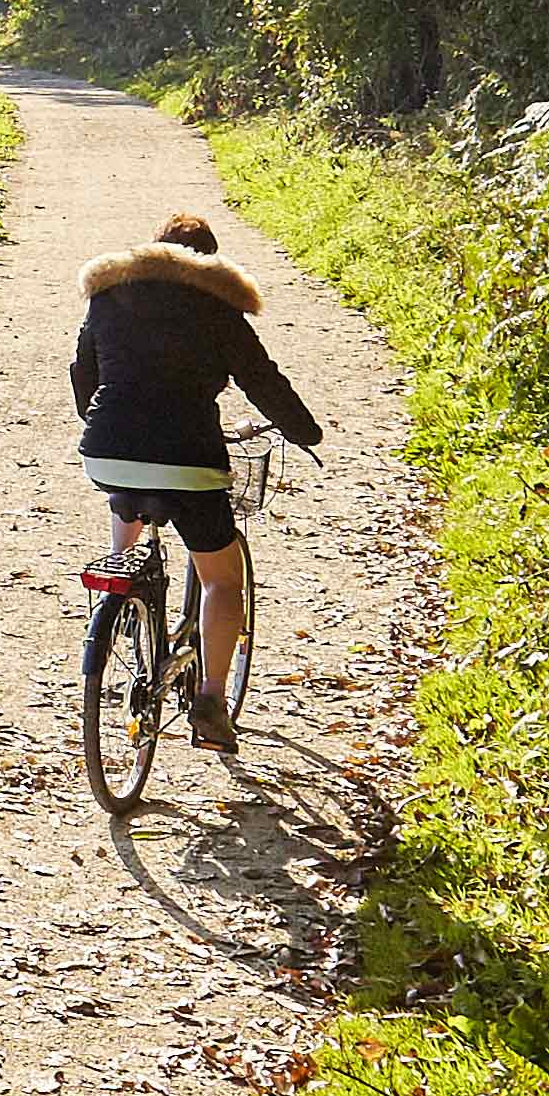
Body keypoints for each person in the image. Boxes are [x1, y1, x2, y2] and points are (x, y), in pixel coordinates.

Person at [69, 209, 324, 738]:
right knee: (221, 579)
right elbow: (262, 380)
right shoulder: (219, 308)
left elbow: (83, 372)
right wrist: (303, 430)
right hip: (190, 457)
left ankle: (124, 593)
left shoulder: (109, 296)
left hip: (107, 450)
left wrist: (101, 424)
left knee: (129, 489)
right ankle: (210, 701)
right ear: (210, 262)